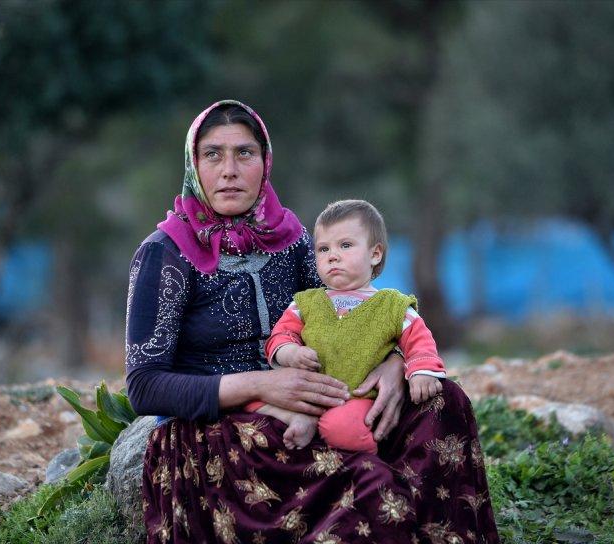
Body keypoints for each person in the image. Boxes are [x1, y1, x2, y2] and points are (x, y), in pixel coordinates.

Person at [126, 99, 499, 543]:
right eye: (213, 154)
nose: (229, 170)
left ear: (265, 162)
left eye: (244, 153)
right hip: (223, 431)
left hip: (320, 402)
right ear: (194, 164)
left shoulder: (293, 240)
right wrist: (262, 385)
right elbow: (144, 386)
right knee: (372, 486)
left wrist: (395, 366)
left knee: (444, 401)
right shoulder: (165, 253)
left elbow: (350, 312)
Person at [250, 199, 446, 454]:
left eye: (345, 245)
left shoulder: (392, 305)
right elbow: (281, 335)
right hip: (307, 392)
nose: (332, 256)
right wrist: (291, 352)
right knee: (251, 401)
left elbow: (419, 341)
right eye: (323, 249)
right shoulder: (306, 302)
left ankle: (370, 461)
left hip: (355, 396)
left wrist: (422, 372)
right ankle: (303, 419)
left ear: (375, 254)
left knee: (342, 429)